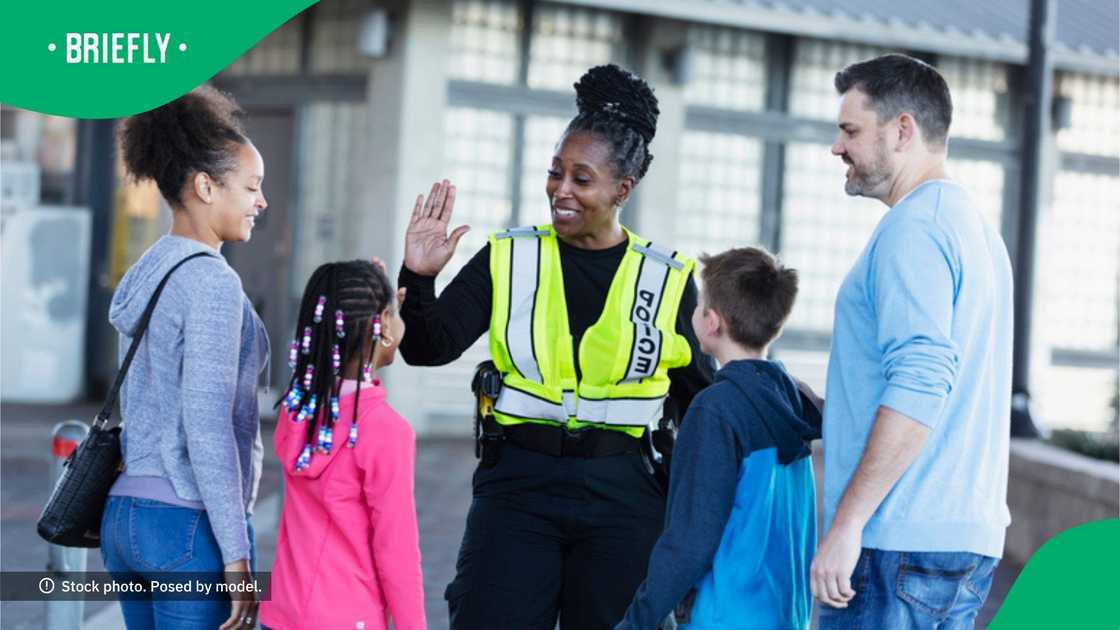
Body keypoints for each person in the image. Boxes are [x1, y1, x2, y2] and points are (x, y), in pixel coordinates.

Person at [397, 64, 713, 629]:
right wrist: (419, 279)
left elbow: (701, 399)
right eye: (555, 173)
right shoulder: (508, 256)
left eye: (581, 179)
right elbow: (428, 347)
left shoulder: (666, 278)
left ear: (624, 188)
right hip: (517, 487)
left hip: (625, 493)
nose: (560, 191)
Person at [810, 54, 1013, 629]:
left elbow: (922, 380)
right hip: (962, 543)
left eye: (850, 130)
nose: (837, 147)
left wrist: (847, 524)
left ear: (903, 131)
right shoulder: (975, 229)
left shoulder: (913, 229)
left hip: (895, 542)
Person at [101, 85, 268, 630]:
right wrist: (237, 554)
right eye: (251, 187)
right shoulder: (211, 281)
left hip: (125, 518)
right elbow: (207, 423)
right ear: (204, 186)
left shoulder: (151, 268)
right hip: (183, 523)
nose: (260, 202)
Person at [617, 247, 820, 630]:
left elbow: (689, 540)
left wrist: (638, 620)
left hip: (722, 617)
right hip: (785, 616)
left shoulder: (715, 410)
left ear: (711, 321)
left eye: (699, 303)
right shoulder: (794, 397)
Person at [259, 259, 424, 630]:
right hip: (348, 617)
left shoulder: (297, 410)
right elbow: (396, 550)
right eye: (396, 312)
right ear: (381, 324)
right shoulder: (385, 430)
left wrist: (366, 294)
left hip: (282, 612)